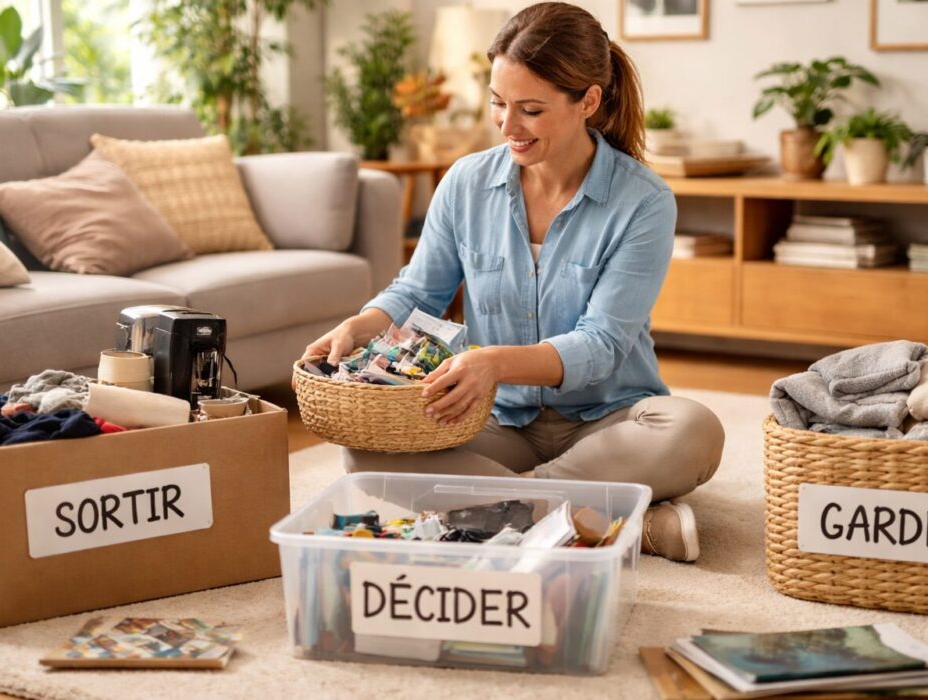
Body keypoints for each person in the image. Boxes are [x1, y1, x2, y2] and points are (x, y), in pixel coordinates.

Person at [300, 1, 724, 562]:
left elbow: (601, 346)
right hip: (493, 417)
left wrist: (493, 361)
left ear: (588, 102)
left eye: (530, 110)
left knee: (694, 430)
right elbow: (417, 292)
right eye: (498, 104)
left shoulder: (643, 202)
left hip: (608, 420)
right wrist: (361, 325)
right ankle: (598, 519)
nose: (507, 126)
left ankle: (508, 507)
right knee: (364, 452)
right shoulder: (466, 183)